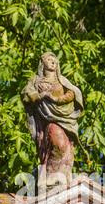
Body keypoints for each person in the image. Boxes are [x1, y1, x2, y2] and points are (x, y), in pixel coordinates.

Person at [22, 52, 83, 188]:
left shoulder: (62, 80)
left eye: (54, 60)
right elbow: (26, 94)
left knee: (66, 148)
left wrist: (56, 98)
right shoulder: (36, 80)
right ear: (42, 63)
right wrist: (40, 96)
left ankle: (61, 177)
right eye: (49, 60)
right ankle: (51, 177)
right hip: (47, 120)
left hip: (65, 118)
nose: (53, 62)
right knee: (56, 143)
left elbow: (73, 93)